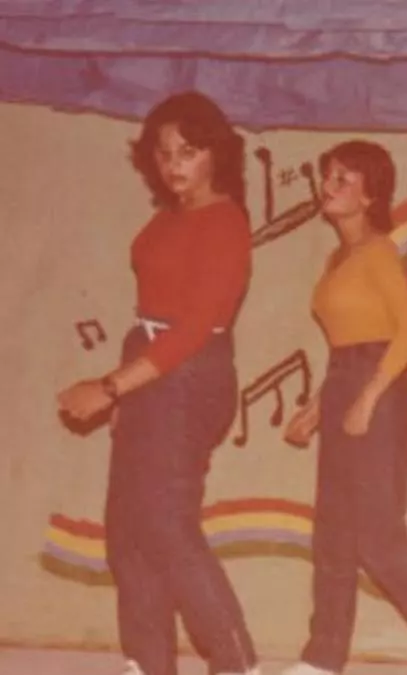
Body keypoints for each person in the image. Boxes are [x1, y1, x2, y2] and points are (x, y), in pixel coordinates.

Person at [56, 91, 259, 675]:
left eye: (187, 151)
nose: (173, 164)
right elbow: (151, 317)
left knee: (166, 525)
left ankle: (237, 663)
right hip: (152, 370)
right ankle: (148, 663)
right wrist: (129, 391)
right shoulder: (171, 216)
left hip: (190, 373)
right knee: (128, 531)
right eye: (164, 153)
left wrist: (112, 387)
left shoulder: (224, 221)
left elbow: (194, 327)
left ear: (216, 154)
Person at [280, 140, 407, 675]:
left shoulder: (379, 251)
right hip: (345, 382)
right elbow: (346, 346)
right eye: (327, 175)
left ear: (370, 195)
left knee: (376, 535)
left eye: (343, 178)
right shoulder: (338, 258)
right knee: (332, 534)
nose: (328, 186)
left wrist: (369, 397)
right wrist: (319, 406)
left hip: (381, 393)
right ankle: (322, 658)